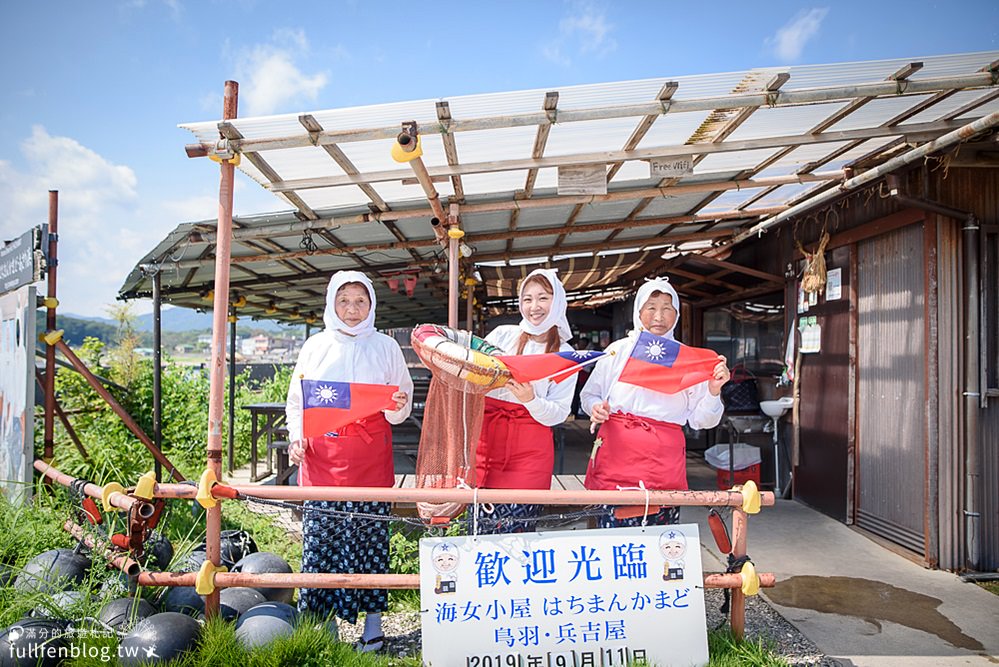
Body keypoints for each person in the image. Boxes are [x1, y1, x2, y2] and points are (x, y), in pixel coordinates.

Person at [286, 270, 413, 653]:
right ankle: (321, 629)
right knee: (321, 541)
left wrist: (397, 406)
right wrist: (297, 436)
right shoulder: (315, 346)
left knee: (370, 539)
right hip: (323, 454)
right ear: (331, 303)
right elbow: (298, 402)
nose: (353, 309)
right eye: (344, 301)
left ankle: (372, 631)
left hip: (371, 456)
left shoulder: (387, 347)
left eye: (361, 301)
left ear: (372, 305)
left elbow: (401, 404)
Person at [580, 277, 730, 528]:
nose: (658, 316)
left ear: (677, 314)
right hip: (616, 452)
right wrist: (595, 407)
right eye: (651, 308)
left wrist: (714, 391)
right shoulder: (617, 351)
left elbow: (702, 420)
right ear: (638, 312)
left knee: (661, 539)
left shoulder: (687, 358)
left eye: (666, 308)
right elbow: (589, 395)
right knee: (611, 533)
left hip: (664, 459)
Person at [475, 268, 575, 533]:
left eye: (543, 298)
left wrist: (531, 400)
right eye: (527, 299)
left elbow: (559, 413)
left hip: (531, 451)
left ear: (558, 302)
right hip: (488, 441)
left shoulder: (566, 353)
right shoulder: (501, 335)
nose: (534, 306)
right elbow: (474, 371)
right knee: (480, 527)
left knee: (519, 529)